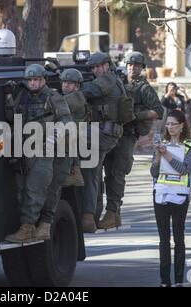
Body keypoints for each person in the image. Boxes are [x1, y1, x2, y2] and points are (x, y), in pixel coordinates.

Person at [4, 64, 72, 243]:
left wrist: (52, 139)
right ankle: (31, 227)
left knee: (36, 188)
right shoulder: (23, 97)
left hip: (45, 148)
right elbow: (13, 118)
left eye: (36, 80)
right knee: (22, 190)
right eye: (30, 80)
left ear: (43, 80)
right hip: (26, 148)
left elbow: (66, 121)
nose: (33, 83)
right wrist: (9, 97)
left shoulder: (53, 97)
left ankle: (28, 228)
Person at [101, 51, 163, 228]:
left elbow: (158, 111)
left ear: (142, 68)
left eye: (136, 65)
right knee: (109, 172)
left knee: (118, 173)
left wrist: (136, 115)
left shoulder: (144, 88)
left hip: (127, 135)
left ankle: (112, 212)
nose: (132, 68)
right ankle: (114, 214)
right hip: (112, 132)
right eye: (129, 64)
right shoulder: (119, 82)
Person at [80, 52, 134, 233]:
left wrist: (63, 94)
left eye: (98, 66)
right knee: (93, 171)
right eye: (93, 68)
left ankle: (89, 215)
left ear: (106, 65)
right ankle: (93, 215)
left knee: (89, 170)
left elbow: (88, 92)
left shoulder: (107, 80)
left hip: (103, 134)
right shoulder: (115, 79)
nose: (95, 70)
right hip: (107, 133)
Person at [150, 109, 191, 287]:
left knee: (179, 238)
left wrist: (166, 154)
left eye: (174, 124)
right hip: (161, 194)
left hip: (180, 196)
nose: (170, 127)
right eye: (168, 124)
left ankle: (178, 280)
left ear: (182, 126)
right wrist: (157, 155)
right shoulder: (161, 143)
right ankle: (165, 280)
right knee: (163, 239)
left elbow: (184, 169)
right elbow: (153, 172)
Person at [39, 68, 87, 240]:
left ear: (77, 85)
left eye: (70, 83)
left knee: (53, 188)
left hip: (65, 151)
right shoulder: (63, 97)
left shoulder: (77, 98)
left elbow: (58, 104)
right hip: (59, 148)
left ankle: (46, 224)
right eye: (64, 82)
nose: (65, 85)